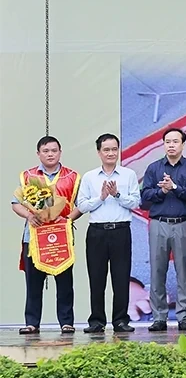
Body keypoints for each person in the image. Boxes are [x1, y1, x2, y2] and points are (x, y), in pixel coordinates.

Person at [13, 136, 81, 335]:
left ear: (60, 152)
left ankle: (66, 322)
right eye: (46, 151)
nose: (50, 154)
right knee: (33, 284)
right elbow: (15, 203)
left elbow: (82, 204)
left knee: (65, 284)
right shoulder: (28, 176)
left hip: (61, 238)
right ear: (38, 154)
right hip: (33, 237)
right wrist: (29, 215)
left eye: (54, 150)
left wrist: (68, 219)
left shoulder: (72, 176)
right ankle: (32, 323)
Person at [139, 127, 186, 332]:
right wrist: (161, 191)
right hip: (159, 223)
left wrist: (174, 188)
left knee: (184, 270)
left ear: (183, 144)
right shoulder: (154, 168)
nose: (171, 145)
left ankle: (184, 316)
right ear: (163, 144)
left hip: (183, 223)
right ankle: (159, 317)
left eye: (176, 141)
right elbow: (146, 196)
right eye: (168, 141)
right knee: (157, 270)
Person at [77, 134, 140, 334]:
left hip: (121, 231)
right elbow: (82, 205)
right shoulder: (89, 177)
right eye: (106, 150)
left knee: (121, 278)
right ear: (99, 153)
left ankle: (120, 320)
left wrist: (117, 195)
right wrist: (101, 197)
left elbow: (136, 202)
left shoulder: (128, 175)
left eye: (114, 149)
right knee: (96, 278)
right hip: (97, 232)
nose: (111, 153)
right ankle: (96, 320)